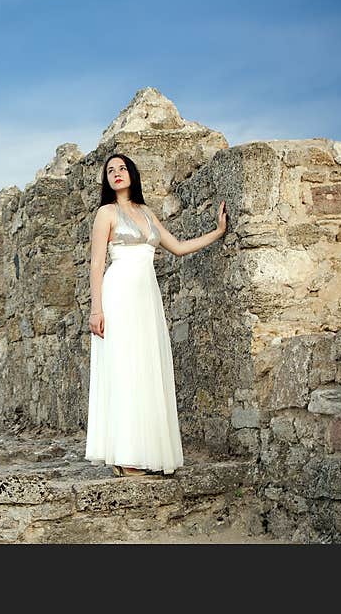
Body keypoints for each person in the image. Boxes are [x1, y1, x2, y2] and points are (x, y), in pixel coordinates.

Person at [84, 153, 227, 477]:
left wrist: (217, 232)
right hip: (118, 293)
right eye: (110, 170)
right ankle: (124, 455)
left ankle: (145, 452)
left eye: (122, 168)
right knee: (123, 368)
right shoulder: (105, 213)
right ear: (106, 180)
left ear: (132, 174)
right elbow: (96, 263)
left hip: (146, 298)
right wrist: (97, 308)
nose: (116, 173)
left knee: (145, 368)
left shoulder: (147, 213)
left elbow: (176, 247)